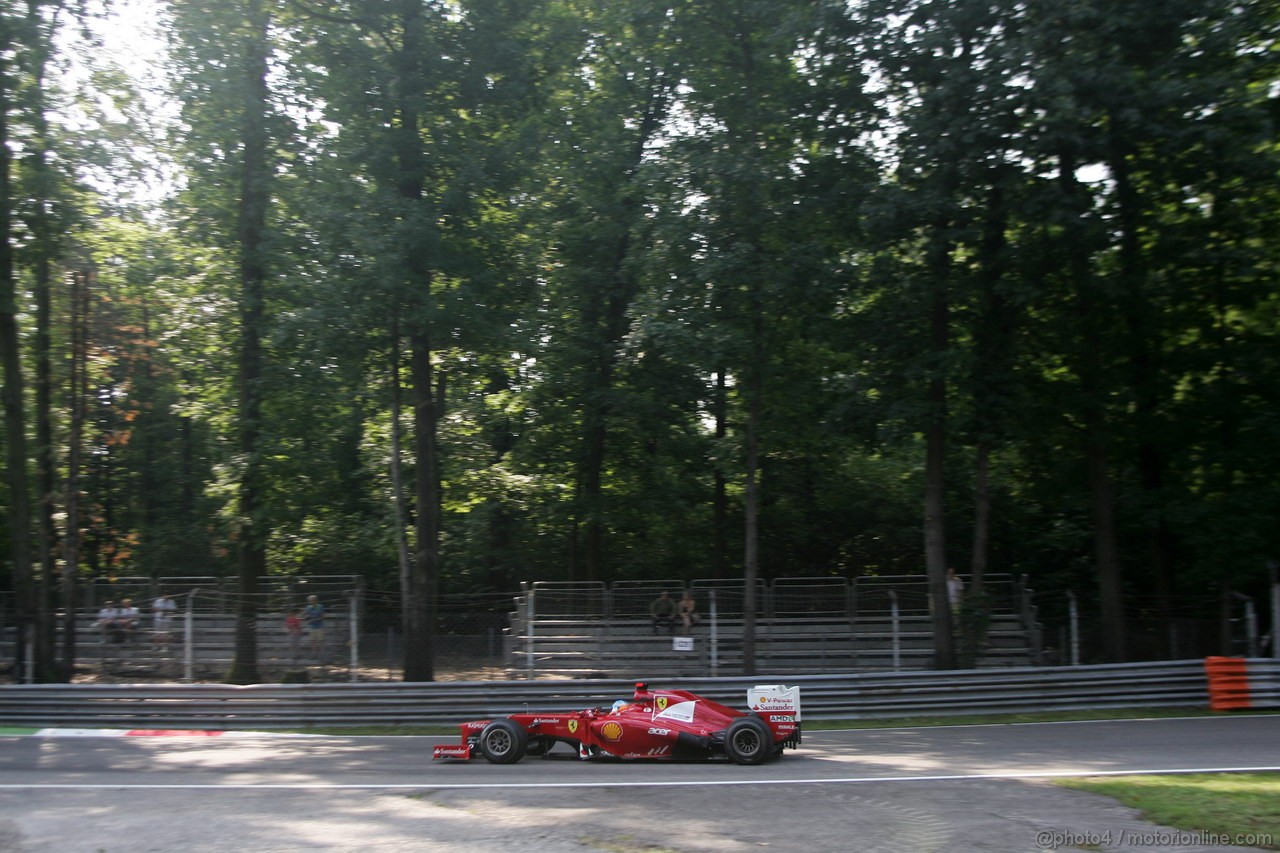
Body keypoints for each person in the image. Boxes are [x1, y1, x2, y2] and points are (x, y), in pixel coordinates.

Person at [302, 595, 326, 660]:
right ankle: (314, 655)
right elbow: (304, 615)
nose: (310, 602)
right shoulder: (308, 607)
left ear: (315, 600)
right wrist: (306, 617)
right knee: (312, 641)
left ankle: (322, 655)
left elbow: (323, 617)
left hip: (319, 627)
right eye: (309, 600)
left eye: (311, 600)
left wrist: (314, 619)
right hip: (311, 627)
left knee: (320, 641)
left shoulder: (320, 606)